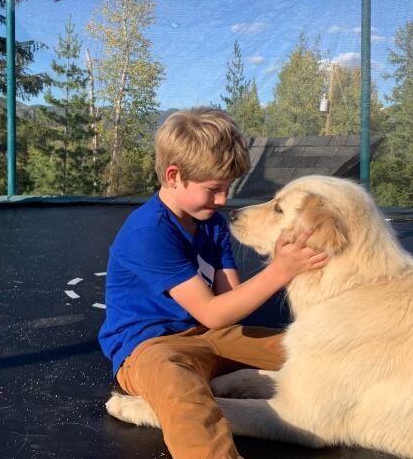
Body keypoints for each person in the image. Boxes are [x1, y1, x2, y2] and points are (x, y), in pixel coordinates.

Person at [98, 107, 329, 459]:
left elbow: (231, 303)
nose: (223, 199)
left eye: (227, 187)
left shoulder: (212, 223)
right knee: (182, 391)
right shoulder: (148, 232)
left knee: (315, 348)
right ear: (174, 176)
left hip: (211, 338)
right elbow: (212, 312)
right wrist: (281, 270)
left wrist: (283, 260)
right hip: (150, 348)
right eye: (213, 189)